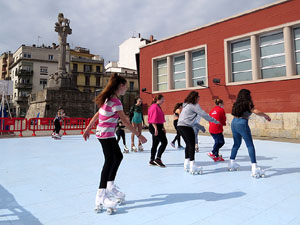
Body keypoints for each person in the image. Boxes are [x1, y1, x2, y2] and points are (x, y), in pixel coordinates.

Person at [83, 73, 147, 213]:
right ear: (121, 86)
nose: (126, 90)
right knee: (110, 160)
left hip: (104, 134)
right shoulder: (116, 102)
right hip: (105, 134)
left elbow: (97, 114)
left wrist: (88, 129)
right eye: (125, 87)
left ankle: (110, 185)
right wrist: (139, 135)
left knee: (118, 157)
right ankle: (101, 194)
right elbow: (124, 121)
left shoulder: (108, 99)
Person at [229, 89, 271, 178]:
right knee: (250, 145)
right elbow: (256, 111)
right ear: (247, 95)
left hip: (234, 122)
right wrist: (266, 116)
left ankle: (231, 163)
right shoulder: (248, 103)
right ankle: (254, 167)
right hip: (242, 123)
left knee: (236, 144)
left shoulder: (237, 103)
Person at [177, 91, 219, 175]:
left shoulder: (186, 105)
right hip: (186, 126)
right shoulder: (194, 106)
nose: (199, 98)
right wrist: (215, 121)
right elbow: (204, 114)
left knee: (188, 145)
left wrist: (201, 127)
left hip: (180, 126)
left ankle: (186, 164)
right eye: (198, 96)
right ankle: (192, 165)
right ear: (195, 98)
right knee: (192, 144)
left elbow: (188, 119)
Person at [148, 94, 168, 168]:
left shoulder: (158, 106)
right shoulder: (154, 107)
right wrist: (156, 128)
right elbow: (153, 118)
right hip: (154, 126)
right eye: (162, 99)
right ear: (158, 99)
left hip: (158, 126)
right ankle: (158, 159)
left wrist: (163, 127)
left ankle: (152, 160)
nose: (163, 100)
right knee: (164, 142)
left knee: (155, 144)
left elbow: (160, 119)